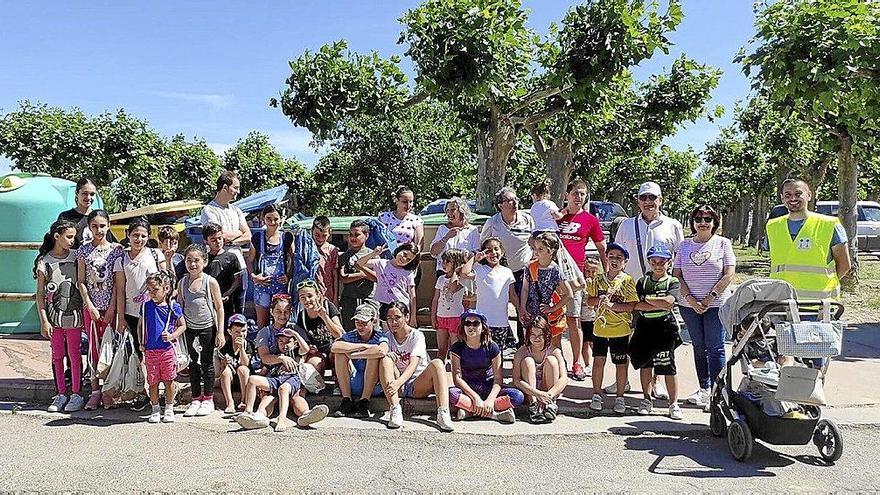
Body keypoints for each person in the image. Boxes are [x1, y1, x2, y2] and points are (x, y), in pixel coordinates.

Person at [612, 181, 684, 399]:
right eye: (643, 198)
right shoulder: (626, 225)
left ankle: (657, 381)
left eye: (652, 198)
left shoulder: (673, 225)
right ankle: (621, 381)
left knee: (658, 339)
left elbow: (679, 260)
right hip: (630, 292)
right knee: (624, 338)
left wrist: (676, 290)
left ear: (660, 200)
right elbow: (616, 257)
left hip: (659, 294)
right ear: (637, 201)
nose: (648, 202)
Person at [672, 205, 736, 408]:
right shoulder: (684, 245)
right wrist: (690, 299)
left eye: (707, 219)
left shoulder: (723, 244)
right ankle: (704, 389)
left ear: (714, 222)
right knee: (699, 347)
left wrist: (710, 297)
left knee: (715, 348)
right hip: (689, 306)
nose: (703, 222)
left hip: (716, 305)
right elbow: (677, 275)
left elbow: (729, 274)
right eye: (698, 218)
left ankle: (719, 392)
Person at [765, 178, 851, 300]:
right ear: (782, 198)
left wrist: (824, 284)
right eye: (788, 195)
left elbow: (844, 265)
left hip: (819, 306)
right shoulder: (772, 226)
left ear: (809, 195)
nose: (793, 199)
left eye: (798, 194)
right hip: (781, 303)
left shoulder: (829, 224)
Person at [113, 217, 166, 411]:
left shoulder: (155, 254)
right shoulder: (121, 259)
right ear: (128, 235)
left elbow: (165, 282)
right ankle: (142, 393)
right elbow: (120, 290)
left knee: (158, 353)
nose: (139, 239)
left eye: (143, 236)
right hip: (131, 314)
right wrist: (121, 318)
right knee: (138, 355)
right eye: (135, 235)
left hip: (154, 313)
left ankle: (163, 392)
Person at [557, 179, 606, 381]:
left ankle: (577, 362)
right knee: (554, 320)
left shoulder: (590, 220)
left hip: (575, 276)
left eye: (583, 194)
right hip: (551, 274)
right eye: (576, 193)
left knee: (573, 319)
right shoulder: (555, 217)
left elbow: (602, 247)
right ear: (567, 195)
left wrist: (605, 274)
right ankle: (557, 360)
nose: (579, 197)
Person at [236, 325, 329, 432]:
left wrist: (295, 334)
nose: (284, 345)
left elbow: (306, 349)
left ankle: (298, 416)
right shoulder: (275, 356)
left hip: (291, 380)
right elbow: (264, 371)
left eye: (287, 342)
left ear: (294, 343)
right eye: (281, 342)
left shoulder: (295, 352)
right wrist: (259, 385)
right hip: (275, 380)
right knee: (255, 382)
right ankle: (253, 415)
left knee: (288, 392)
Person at [378, 302, 455, 431]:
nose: (393, 322)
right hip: (398, 384)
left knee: (437, 363)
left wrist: (399, 382)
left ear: (406, 317)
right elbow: (381, 350)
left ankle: (443, 412)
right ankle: (395, 409)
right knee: (385, 359)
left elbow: (414, 363)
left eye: (397, 318)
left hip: (417, 383)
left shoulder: (417, 336)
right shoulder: (387, 337)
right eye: (390, 319)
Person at [76, 210, 123, 411]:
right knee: (94, 348)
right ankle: (95, 391)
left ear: (108, 226)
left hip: (110, 307)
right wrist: (90, 305)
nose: (99, 230)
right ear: (89, 227)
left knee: (111, 347)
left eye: (102, 226)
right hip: (92, 308)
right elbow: (81, 281)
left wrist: (112, 307)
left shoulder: (116, 250)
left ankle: (109, 391)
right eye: (94, 226)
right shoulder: (83, 251)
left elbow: (117, 283)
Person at [35, 220, 84, 413]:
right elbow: (40, 295)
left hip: (74, 315)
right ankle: (61, 393)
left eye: (74, 237)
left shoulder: (76, 256)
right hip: (54, 317)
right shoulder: (44, 261)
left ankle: (77, 393)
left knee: (74, 354)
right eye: (69, 237)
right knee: (57, 355)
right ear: (57, 236)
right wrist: (44, 320)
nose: (73, 241)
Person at [630, 245, 683, 420]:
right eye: (654, 261)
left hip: (664, 326)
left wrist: (647, 299)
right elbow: (636, 305)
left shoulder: (673, 282)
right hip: (644, 325)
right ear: (649, 262)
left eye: (662, 262)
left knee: (667, 365)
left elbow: (668, 302)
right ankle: (646, 399)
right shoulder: (643, 282)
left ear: (669, 262)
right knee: (645, 365)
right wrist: (654, 302)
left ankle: (673, 404)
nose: (658, 265)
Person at [587, 242, 638, 414]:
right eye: (611, 257)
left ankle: (620, 397)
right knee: (599, 361)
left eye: (619, 258)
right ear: (606, 258)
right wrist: (600, 300)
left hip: (620, 330)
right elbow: (589, 300)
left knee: (621, 363)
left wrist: (613, 306)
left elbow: (631, 306)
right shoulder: (598, 279)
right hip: (600, 328)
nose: (614, 261)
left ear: (625, 261)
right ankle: (596, 394)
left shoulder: (627, 280)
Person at [176, 243, 225, 417]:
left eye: (197, 260)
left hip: (207, 329)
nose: (193, 264)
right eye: (189, 260)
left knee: (207, 365)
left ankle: (208, 399)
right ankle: (196, 398)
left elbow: (219, 307)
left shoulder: (210, 281)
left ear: (204, 261)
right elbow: (180, 307)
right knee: (193, 364)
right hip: (189, 330)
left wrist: (220, 331)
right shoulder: (182, 283)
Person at [448, 310, 523, 424]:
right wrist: (475, 398)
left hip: (488, 386)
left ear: (483, 327)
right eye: (467, 323)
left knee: (517, 396)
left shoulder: (492, 347)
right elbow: (457, 378)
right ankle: (494, 415)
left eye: (476, 323)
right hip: (469, 388)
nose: (471, 326)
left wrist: (490, 400)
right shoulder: (456, 348)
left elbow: (498, 379)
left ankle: (471, 411)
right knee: (451, 394)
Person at [481, 186, 534, 346]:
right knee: (498, 303)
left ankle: (524, 343)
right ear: (500, 205)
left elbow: (533, 242)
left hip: (523, 271)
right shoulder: (492, 223)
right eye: (509, 200)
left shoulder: (527, 219)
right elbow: (483, 245)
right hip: (499, 273)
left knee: (523, 306)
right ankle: (502, 341)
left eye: (516, 199)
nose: (514, 203)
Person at [137, 271, 186, 424]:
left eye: (156, 290)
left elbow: (182, 325)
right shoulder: (145, 306)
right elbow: (140, 326)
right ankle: (155, 408)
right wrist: (141, 342)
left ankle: (169, 408)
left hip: (167, 350)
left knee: (169, 380)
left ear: (166, 288)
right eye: (150, 290)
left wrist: (172, 336)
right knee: (152, 381)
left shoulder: (173, 306)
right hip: (150, 350)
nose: (152, 293)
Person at [459, 237, 519, 351]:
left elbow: (513, 295)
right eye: (489, 250)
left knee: (498, 353)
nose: (493, 253)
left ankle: (497, 370)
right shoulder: (480, 269)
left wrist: (521, 311)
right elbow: (464, 272)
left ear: (502, 252)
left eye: (496, 249)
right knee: (482, 352)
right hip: (483, 322)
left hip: (501, 322)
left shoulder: (507, 272)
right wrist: (475, 258)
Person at [332, 303, 389, 419]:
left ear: (373, 321)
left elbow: (382, 350)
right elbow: (335, 346)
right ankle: (346, 400)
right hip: (355, 380)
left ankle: (364, 402)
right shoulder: (352, 335)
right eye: (358, 322)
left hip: (375, 385)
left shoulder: (380, 335)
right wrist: (363, 346)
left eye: (364, 323)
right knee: (340, 355)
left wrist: (354, 355)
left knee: (373, 357)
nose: (360, 326)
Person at [512, 316, 569, 424]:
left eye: (540, 335)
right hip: (530, 391)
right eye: (533, 335)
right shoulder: (521, 352)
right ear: (528, 336)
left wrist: (548, 395)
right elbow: (516, 380)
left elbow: (564, 378)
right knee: (528, 361)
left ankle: (550, 404)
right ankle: (534, 406)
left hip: (548, 389)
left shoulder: (554, 351)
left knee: (552, 360)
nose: (536, 339)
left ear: (546, 335)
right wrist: (537, 394)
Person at [520, 232, 572, 344]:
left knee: (553, 345)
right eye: (535, 248)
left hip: (549, 316)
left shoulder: (555, 270)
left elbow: (569, 294)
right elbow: (525, 289)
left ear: (551, 250)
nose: (536, 252)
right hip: (531, 312)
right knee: (532, 343)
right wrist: (522, 308)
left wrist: (553, 308)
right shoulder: (530, 266)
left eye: (540, 249)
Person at [248, 205, 291, 329]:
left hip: (280, 287)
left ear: (281, 219)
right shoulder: (256, 238)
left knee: (282, 322)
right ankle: (263, 347)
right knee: (262, 324)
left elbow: (293, 260)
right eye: (269, 218)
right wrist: (254, 277)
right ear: (263, 219)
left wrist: (288, 276)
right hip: (262, 287)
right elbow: (250, 261)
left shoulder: (286, 237)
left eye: (275, 219)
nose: (272, 222)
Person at [355, 243, 419, 327]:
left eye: (408, 259)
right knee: (387, 334)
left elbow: (412, 295)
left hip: (401, 307)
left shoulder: (408, 273)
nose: (404, 259)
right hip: (384, 305)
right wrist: (373, 253)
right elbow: (359, 263)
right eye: (404, 254)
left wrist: (413, 316)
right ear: (399, 250)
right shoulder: (381, 263)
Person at [293, 280, 344, 377]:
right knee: (313, 364)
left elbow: (339, 334)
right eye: (302, 298)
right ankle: (319, 385)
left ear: (318, 295)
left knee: (337, 353)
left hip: (334, 350)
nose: (307, 300)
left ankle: (339, 381)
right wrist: (310, 348)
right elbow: (304, 341)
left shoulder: (328, 307)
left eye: (310, 296)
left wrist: (325, 317)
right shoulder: (302, 316)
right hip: (318, 352)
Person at [431, 248, 469, 362]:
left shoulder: (461, 280)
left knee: (455, 349)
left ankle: (456, 371)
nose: (444, 264)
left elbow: (452, 288)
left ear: (457, 263)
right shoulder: (441, 279)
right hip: (441, 316)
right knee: (441, 348)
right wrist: (433, 316)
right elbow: (435, 298)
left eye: (448, 261)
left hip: (455, 317)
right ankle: (439, 370)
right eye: (443, 261)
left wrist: (457, 272)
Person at [57, 177, 116, 248]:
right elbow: (57, 243)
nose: (88, 198)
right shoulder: (65, 217)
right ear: (77, 193)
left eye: (92, 194)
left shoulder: (99, 217)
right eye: (84, 193)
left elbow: (110, 242)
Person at [338, 220, 375, 330]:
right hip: (349, 300)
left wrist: (359, 274)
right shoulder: (344, 256)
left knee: (370, 331)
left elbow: (375, 277)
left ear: (366, 235)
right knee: (351, 332)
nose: (353, 238)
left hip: (368, 299)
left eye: (357, 234)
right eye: (350, 235)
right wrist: (363, 273)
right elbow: (343, 278)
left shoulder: (372, 255)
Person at [430, 197, 480, 276]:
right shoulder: (443, 229)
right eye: (447, 210)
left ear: (461, 211)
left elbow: (475, 253)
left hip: (464, 273)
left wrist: (461, 263)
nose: (449, 213)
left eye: (453, 210)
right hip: (444, 272)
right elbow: (433, 252)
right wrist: (446, 237)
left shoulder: (472, 230)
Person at [203, 222, 244, 319]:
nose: (217, 242)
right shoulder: (203, 258)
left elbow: (237, 280)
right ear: (206, 241)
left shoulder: (231, 257)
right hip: (208, 301)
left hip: (228, 301)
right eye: (213, 240)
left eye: (219, 238)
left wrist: (227, 294)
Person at [217, 313, 254, 414]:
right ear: (230, 332)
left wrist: (241, 349)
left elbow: (246, 364)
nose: (241, 334)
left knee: (243, 369)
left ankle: (244, 400)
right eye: (237, 332)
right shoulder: (225, 347)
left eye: (243, 331)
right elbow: (220, 371)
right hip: (231, 380)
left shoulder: (249, 345)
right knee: (225, 372)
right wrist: (223, 363)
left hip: (245, 380)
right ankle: (230, 402)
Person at [579, 257, 602, 378]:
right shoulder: (581, 284)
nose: (591, 274)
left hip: (594, 319)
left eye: (594, 272)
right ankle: (587, 365)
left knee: (594, 343)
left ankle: (597, 365)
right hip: (582, 318)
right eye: (588, 271)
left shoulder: (599, 284)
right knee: (584, 343)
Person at [312, 215, 339, 306]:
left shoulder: (332, 250)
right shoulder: (307, 248)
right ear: (312, 231)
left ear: (329, 233)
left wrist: (335, 298)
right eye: (317, 235)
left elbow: (335, 275)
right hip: (309, 294)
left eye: (324, 235)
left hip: (327, 294)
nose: (320, 239)